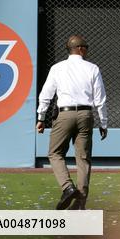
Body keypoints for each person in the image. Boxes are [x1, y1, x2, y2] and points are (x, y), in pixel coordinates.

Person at [36, 35, 108, 211]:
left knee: (55, 153)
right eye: (87, 47)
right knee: (83, 158)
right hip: (85, 115)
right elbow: (100, 99)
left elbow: (46, 94)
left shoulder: (57, 68)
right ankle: (80, 202)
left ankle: (68, 187)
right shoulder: (92, 68)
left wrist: (41, 117)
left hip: (64, 114)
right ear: (81, 49)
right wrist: (103, 123)